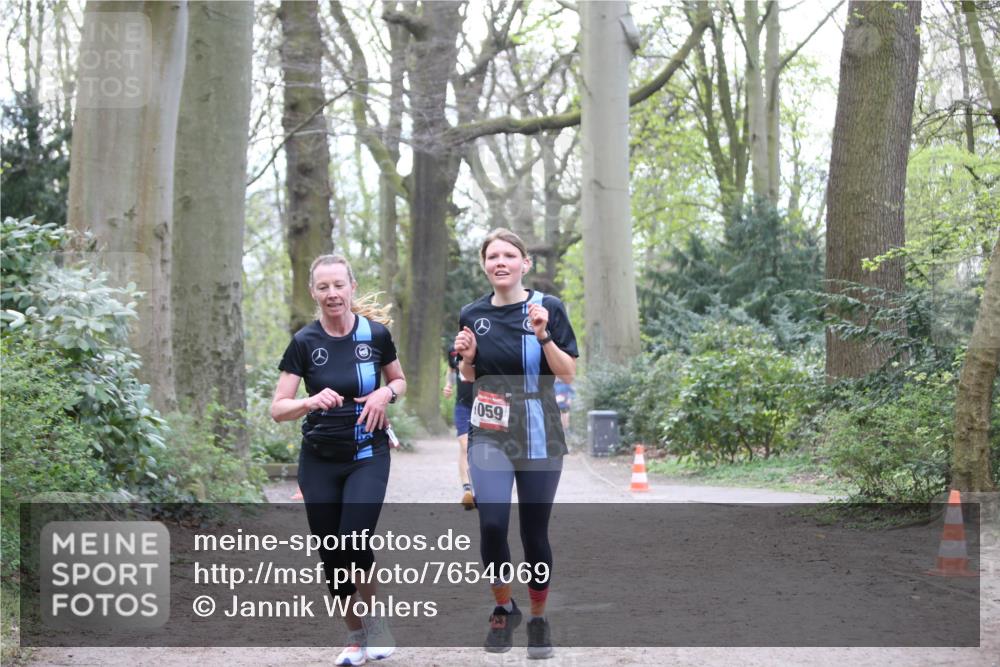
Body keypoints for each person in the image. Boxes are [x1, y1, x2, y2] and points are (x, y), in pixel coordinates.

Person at [271, 254, 405, 666]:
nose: (332, 294)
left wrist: (387, 394)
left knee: (353, 538)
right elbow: (278, 408)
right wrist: (309, 401)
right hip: (319, 459)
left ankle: (378, 625)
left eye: (338, 285)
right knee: (331, 552)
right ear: (314, 292)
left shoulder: (376, 335)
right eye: (323, 287)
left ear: (352, 287)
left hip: (368, 453)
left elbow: (398, 379)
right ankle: (354, 636)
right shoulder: (304, 342)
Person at [453, 228, 578, 659]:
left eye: (509, 255)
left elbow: (567, 374)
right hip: (490, 424)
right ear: (485, 265)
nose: (500, 262)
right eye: (492, 256)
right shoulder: (472, 314)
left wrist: (543, 336)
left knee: (533, 532)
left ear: (525, 263)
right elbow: (467, 380)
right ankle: (504, 608)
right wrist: (467, 360)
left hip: (539, 426)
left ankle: (539, 619)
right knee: (491, 524)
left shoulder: (548, 307)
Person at [443, 345, 475, 509]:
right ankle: (467, 490)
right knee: (465, 445)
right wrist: (448, 385)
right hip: (463, 405)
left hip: (485, 404)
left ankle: (482, 487)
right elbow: (451, 370)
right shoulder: (453, 350)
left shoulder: (486, 345)